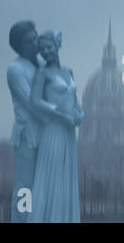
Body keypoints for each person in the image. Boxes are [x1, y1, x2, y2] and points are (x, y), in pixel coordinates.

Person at [27, 30, 84, 223]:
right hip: (52, 130)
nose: (46, 52)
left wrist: (78, 112)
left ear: (57, 46)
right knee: (51, 179)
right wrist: (61, 114)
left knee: (65, 179)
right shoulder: (41, 72)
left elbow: (73, 100)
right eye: (42, 50)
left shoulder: (68, 72)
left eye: (49, 47)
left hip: (68, 131)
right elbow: (35, 101)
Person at [7, 21, 57, 223]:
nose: (36, 43)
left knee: (45, 188)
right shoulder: (15, 69)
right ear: (20, 46)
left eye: (36, 37)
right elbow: (33, 104)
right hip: (28, 137)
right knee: (25, 188)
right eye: (30, 41)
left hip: (46, 135)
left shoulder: (44, 65)